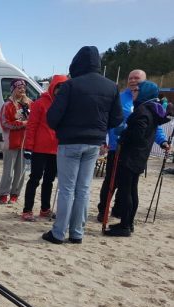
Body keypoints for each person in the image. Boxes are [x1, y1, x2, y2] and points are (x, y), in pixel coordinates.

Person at [43, 46, 123, 244]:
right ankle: (77, 232)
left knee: (67, 189)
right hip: (94, 143)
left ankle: (59, 233)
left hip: (70, 142)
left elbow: (52, 118)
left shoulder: (71, 85)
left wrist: (64, 127)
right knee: (84, 189)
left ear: (77, 62)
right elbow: (117, 119)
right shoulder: (111, 87)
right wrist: (100, 128)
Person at [97, 69, 169, 221]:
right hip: (116, 147)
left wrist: (162, 141)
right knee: (110, 182)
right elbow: (107, 120)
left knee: (128, 185)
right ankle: (103, 210)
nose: (132, 81)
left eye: (136, 78)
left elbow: (154, 126)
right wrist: (103, 140)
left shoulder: (147, 101)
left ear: (144, 81)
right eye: (130, 78)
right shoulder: (119, 97)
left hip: (134, 151)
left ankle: (120, 211)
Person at [20, 75, 68, 221]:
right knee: (35, 178)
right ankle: (27, 210)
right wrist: (28, 147)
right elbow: (32, 126)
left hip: (56, 149)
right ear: (53, 87)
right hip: (39, 149)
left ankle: (45, 209)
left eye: (63, 88)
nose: (60, 91)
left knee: (49, 180)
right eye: (58, 88)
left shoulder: (65, 104)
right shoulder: (40, 103)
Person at [0, 79, 32, 204]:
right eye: (19, 88)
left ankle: (15, 193)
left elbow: (33, 120)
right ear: (13, 89)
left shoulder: (30, 103)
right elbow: (5, 123)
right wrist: (21, 124)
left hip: (24, 142)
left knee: (20, 171)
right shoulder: (8, 105)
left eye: (23, 88)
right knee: (8, 171)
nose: (22, 90)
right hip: (11, 142)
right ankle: (4, 193)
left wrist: (28, 119)